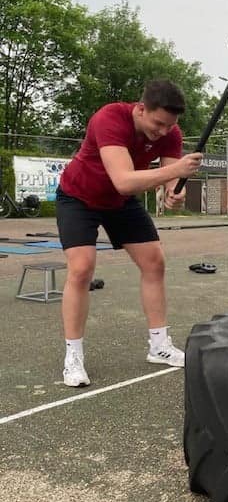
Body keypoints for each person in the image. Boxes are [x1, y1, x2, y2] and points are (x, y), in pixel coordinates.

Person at [56, 79, 202, 387]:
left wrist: (172, 194)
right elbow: (123, 180)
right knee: (81, 268)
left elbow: (168, 182)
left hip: (119, 203)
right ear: (140, 109)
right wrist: (176, 172)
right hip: (79, 197)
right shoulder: (109, 118)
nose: (163, 131)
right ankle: (73, 356)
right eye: (158, 123)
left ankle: (159, 346)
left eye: (170, 125)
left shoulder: (170, 132)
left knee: (154, 262)